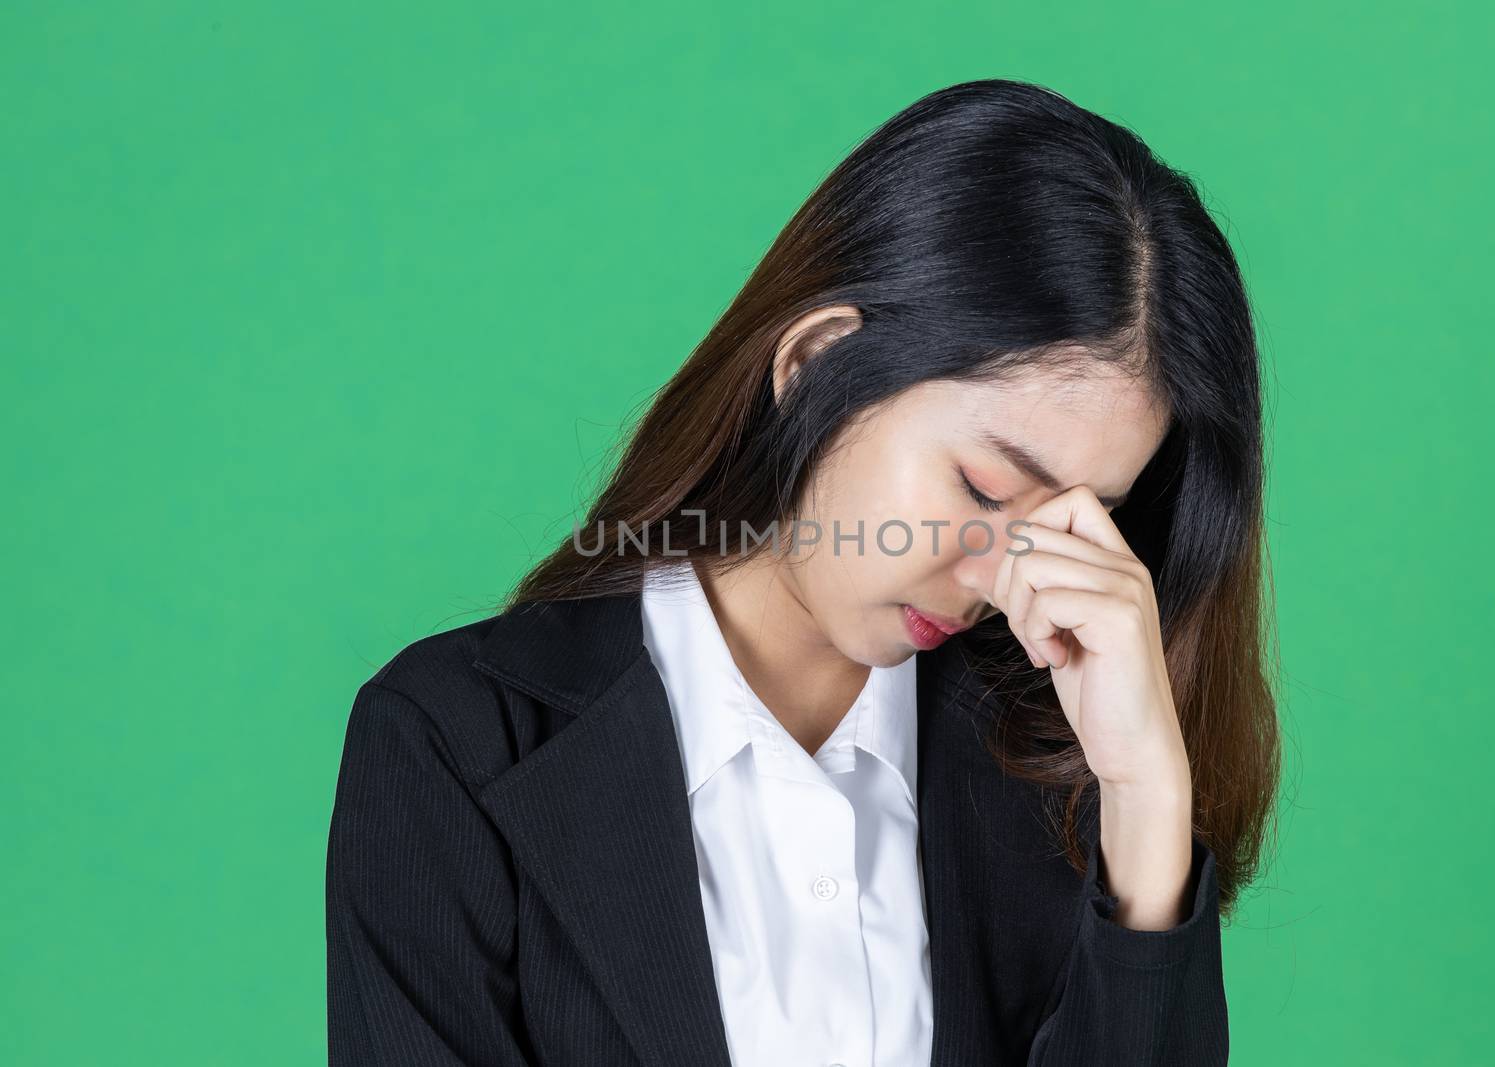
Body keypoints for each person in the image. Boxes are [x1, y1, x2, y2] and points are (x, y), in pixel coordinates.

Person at [326, 77, 1280, 1066]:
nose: (1006, 573)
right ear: (816, 362)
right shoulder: (454, 746)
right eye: (986, 490)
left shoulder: (1047, 772)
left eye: (1084, 527)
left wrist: (1145, 800)